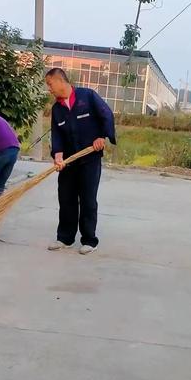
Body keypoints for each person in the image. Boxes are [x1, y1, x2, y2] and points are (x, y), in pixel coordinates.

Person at [46, 67, 116, 255]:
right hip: (69, 161)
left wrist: (102, 136)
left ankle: (89, 240)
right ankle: (65, 238)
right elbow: (57, 135)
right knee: (66, 198)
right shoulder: (57, 109)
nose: (49, 89)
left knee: (87, 199)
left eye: (50, 84)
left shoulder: (87, 97)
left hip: (90, 159)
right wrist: (58, 156)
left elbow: (106, 115)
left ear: (61, 81)